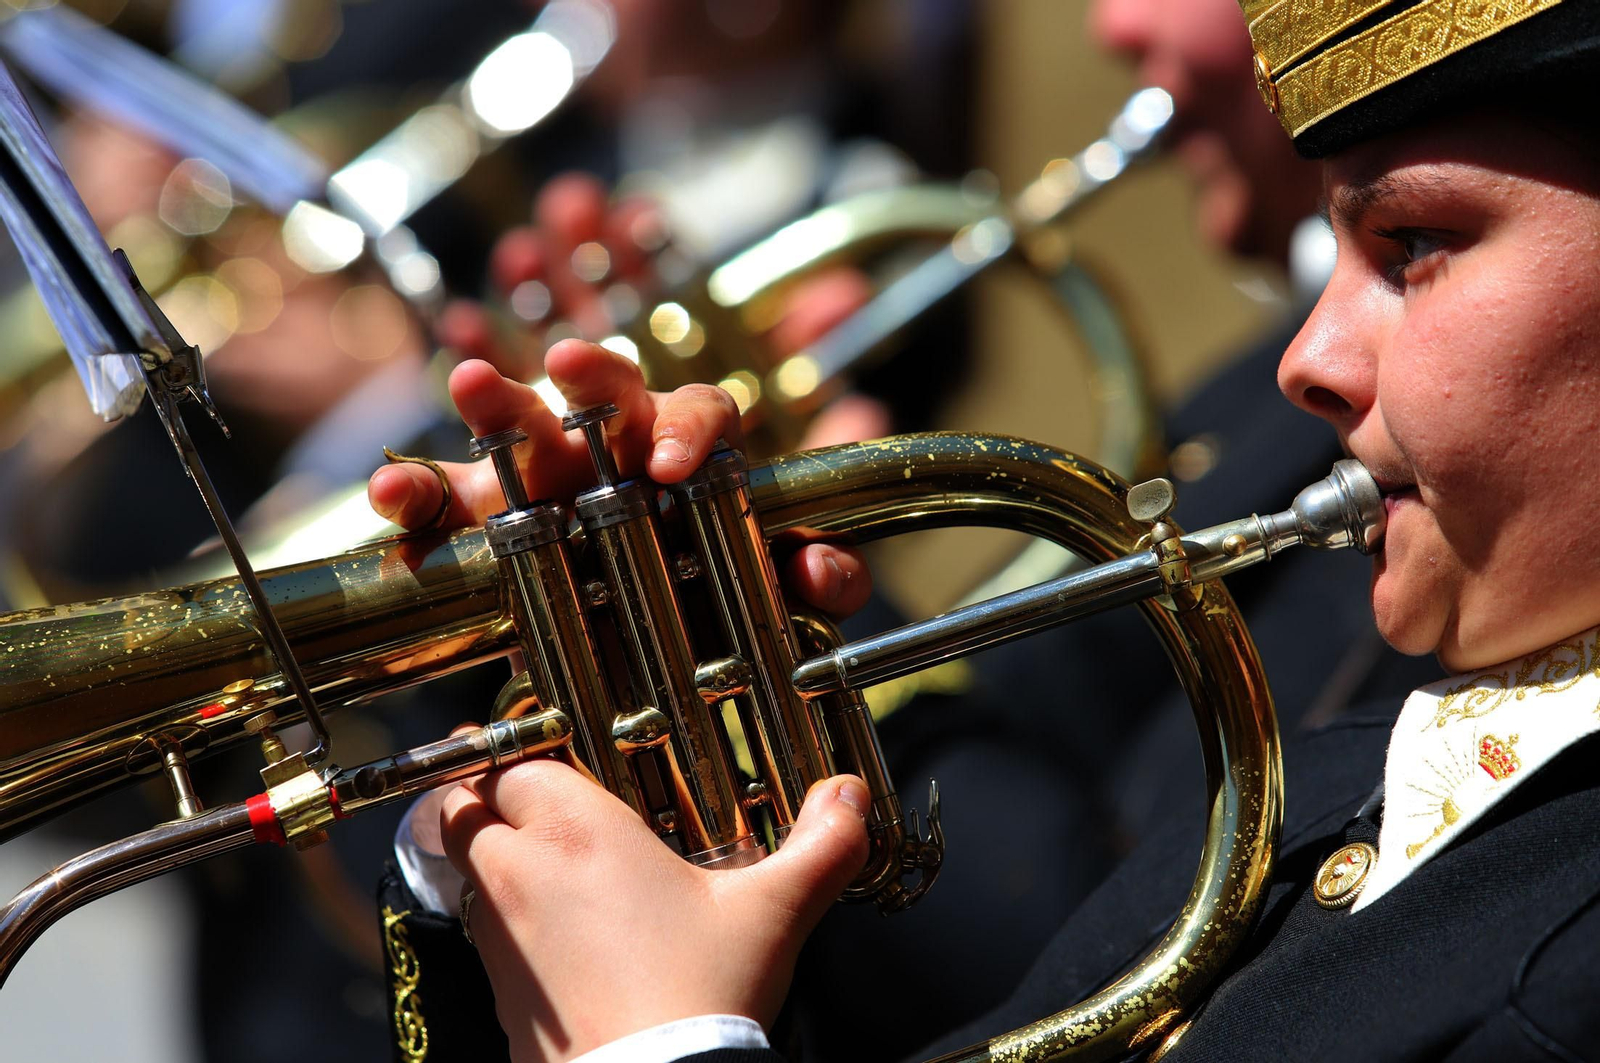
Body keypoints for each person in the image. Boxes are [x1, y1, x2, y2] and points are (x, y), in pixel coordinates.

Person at [366, 0, 1600, 1059]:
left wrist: (666, 1037)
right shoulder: (1382, 757)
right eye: (1334, 248)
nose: (1307, 358)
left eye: (1413, 243)